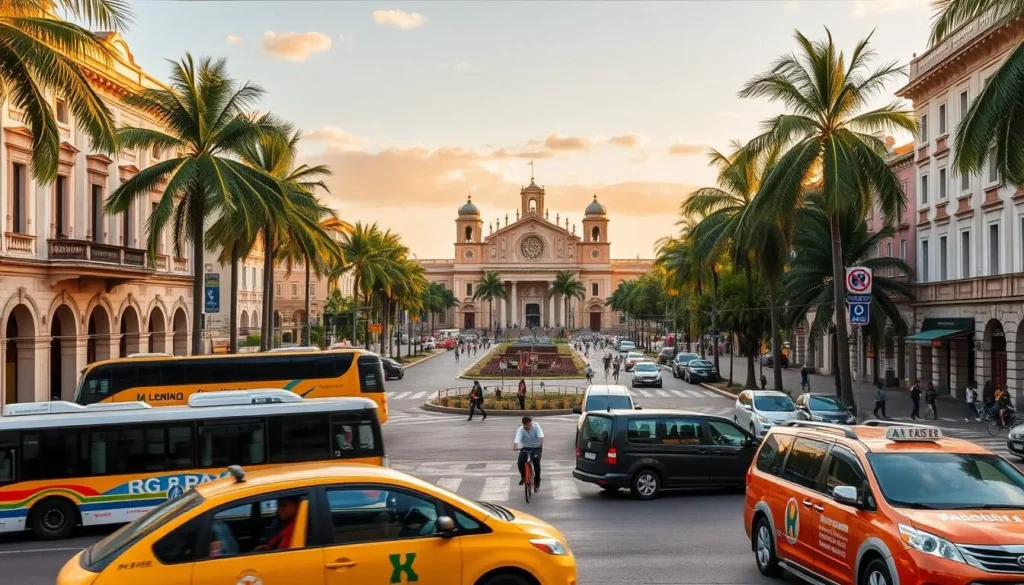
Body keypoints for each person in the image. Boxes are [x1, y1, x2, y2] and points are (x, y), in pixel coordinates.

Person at [513, 416, 544, 490]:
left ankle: (537, 481)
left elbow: (541, 436)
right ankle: (523, 477)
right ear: (524, 424)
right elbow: (517, 439)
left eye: (530, 423)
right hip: (525, 448)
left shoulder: (536, 426)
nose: (530, 425)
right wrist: (515, 446)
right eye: (528, 424)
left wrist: (540, 444)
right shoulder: (520, 429)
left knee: (536, 462)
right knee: (520, 462)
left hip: (536, 447)